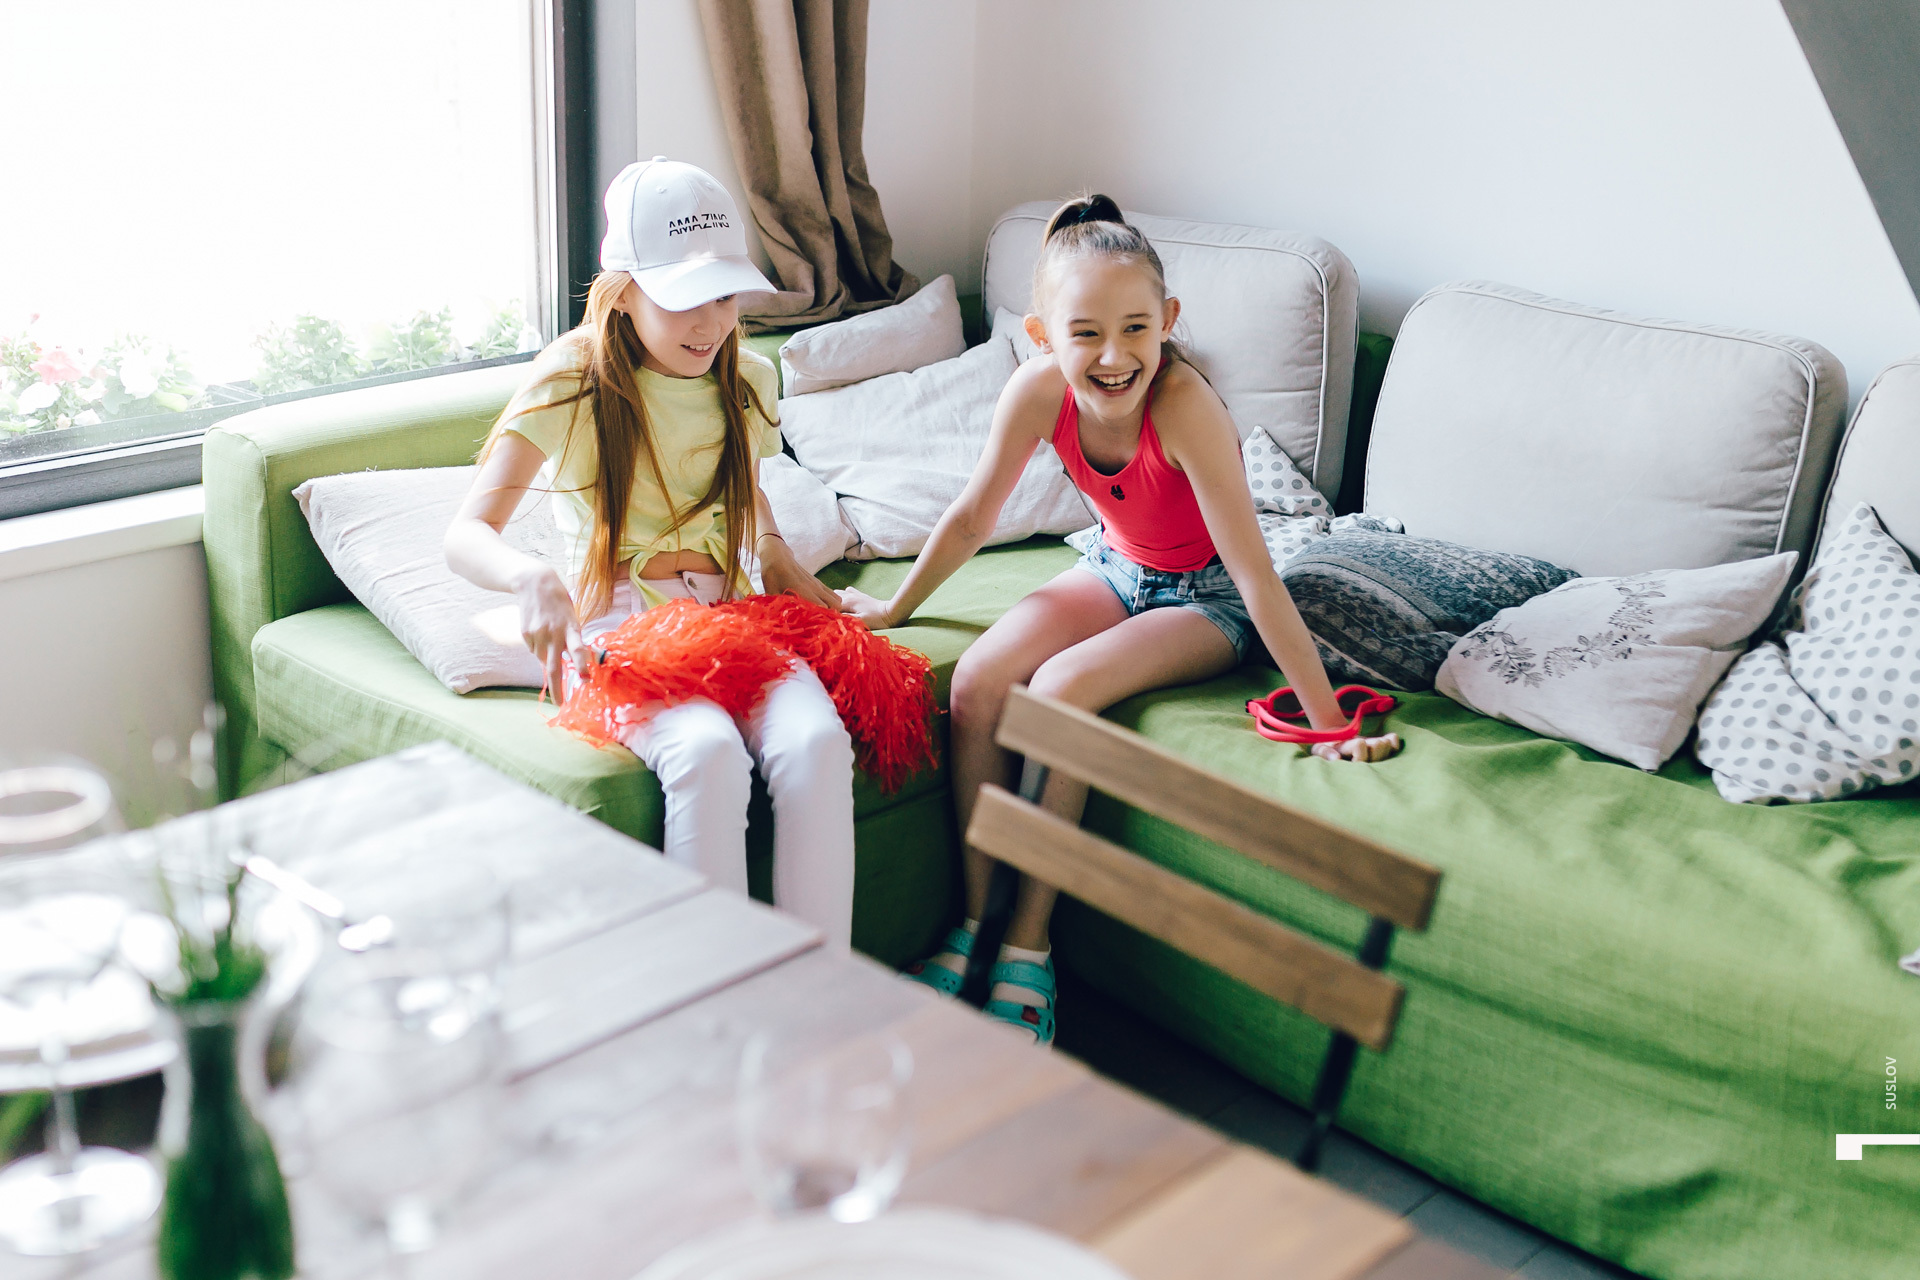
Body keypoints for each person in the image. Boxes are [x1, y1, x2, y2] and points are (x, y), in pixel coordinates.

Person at [838, 194, 1402, 1042]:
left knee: (1059, 691)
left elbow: (1255, 576)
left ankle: (1027, 953)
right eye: (1086, 333)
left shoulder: (1185, 406)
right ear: (1041, 336)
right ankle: (981, 928)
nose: (1113, 355)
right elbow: (971, 516)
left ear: (1168, 321)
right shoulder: (1036, 393)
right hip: (1114, 567)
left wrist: (1328, 724)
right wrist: (893, 606)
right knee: (982, 681)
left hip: (1208, 595)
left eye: (1136, 328)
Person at [446, 157, 861, 948]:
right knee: (706, 752)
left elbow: (743, 486)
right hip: (619, 624)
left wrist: (773, 551)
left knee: (816, 741)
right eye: (683, 299)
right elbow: (464, 534)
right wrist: (529, 577)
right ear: (623, 292)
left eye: (725, 295)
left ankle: (819, 991)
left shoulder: (747, 375)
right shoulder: (573, 378)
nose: (710, 323)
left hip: (729, 614)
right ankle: (709, 1002)